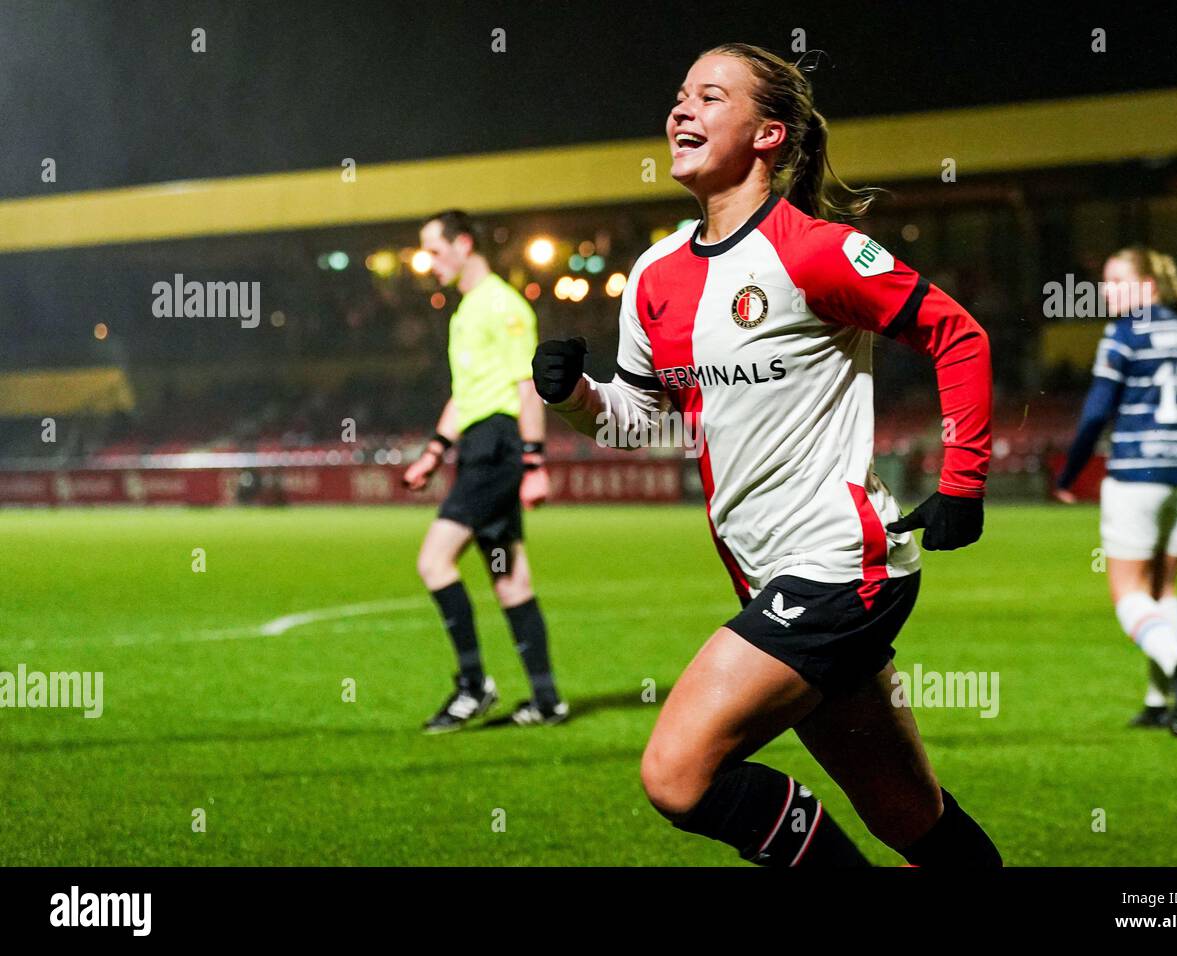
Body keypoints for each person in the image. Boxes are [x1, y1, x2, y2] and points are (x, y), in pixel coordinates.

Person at [532, 44, 999, 866]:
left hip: (840, 569)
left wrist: (962, 482)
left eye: (710, 97)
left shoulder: (814, 250)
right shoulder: (654, 275)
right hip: (768, 576)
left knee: (678, 774)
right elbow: (644, 420)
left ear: (768, 135)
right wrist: (576, 396)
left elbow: (956, 333)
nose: (681, 110)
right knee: (908, 817)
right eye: (679, 95)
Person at [1055, 247, 1177, 736]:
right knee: (1164, 589)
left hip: (1138, 478)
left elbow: (1095, 414)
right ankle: (1163, 702)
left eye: (1116, 281)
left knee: (1129, 594)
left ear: (1147, 286)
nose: (1106, 291)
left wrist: (1068, 474)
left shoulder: (1124, 334)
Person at [404, 209, 568, 732]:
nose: (427, 262)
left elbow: (527, 385)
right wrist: (433, 451)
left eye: (433, 249)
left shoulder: (502, 305)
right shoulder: (465, 311)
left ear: (463, 244)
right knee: (509, 577)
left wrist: (534, 461)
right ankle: (546, 701)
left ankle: (474, 687)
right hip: (477, 444)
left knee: (434, 562)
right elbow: (465, 394)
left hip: (498, 447)